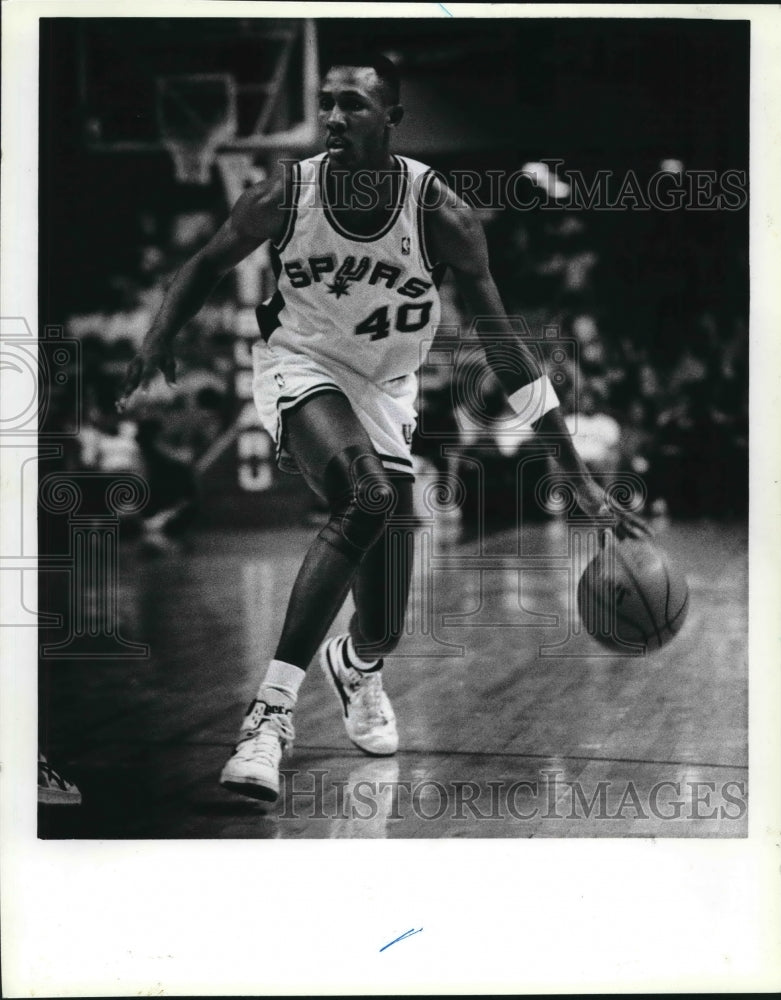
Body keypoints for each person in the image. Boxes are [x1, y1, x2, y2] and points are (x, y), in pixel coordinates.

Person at [118, 51, 647, 802]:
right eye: (327, 103)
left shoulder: (440, 213)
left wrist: (574, 474)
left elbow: (501, 346)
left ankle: (357, 664)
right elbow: (206, 263)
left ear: (392, 119)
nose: (333, 117)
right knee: (364, 498)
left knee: (385, 623)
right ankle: (268, 718)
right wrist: (159, 336)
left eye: (353, 105)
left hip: (387, 391)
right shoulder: (283, 194)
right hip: (300, 367)